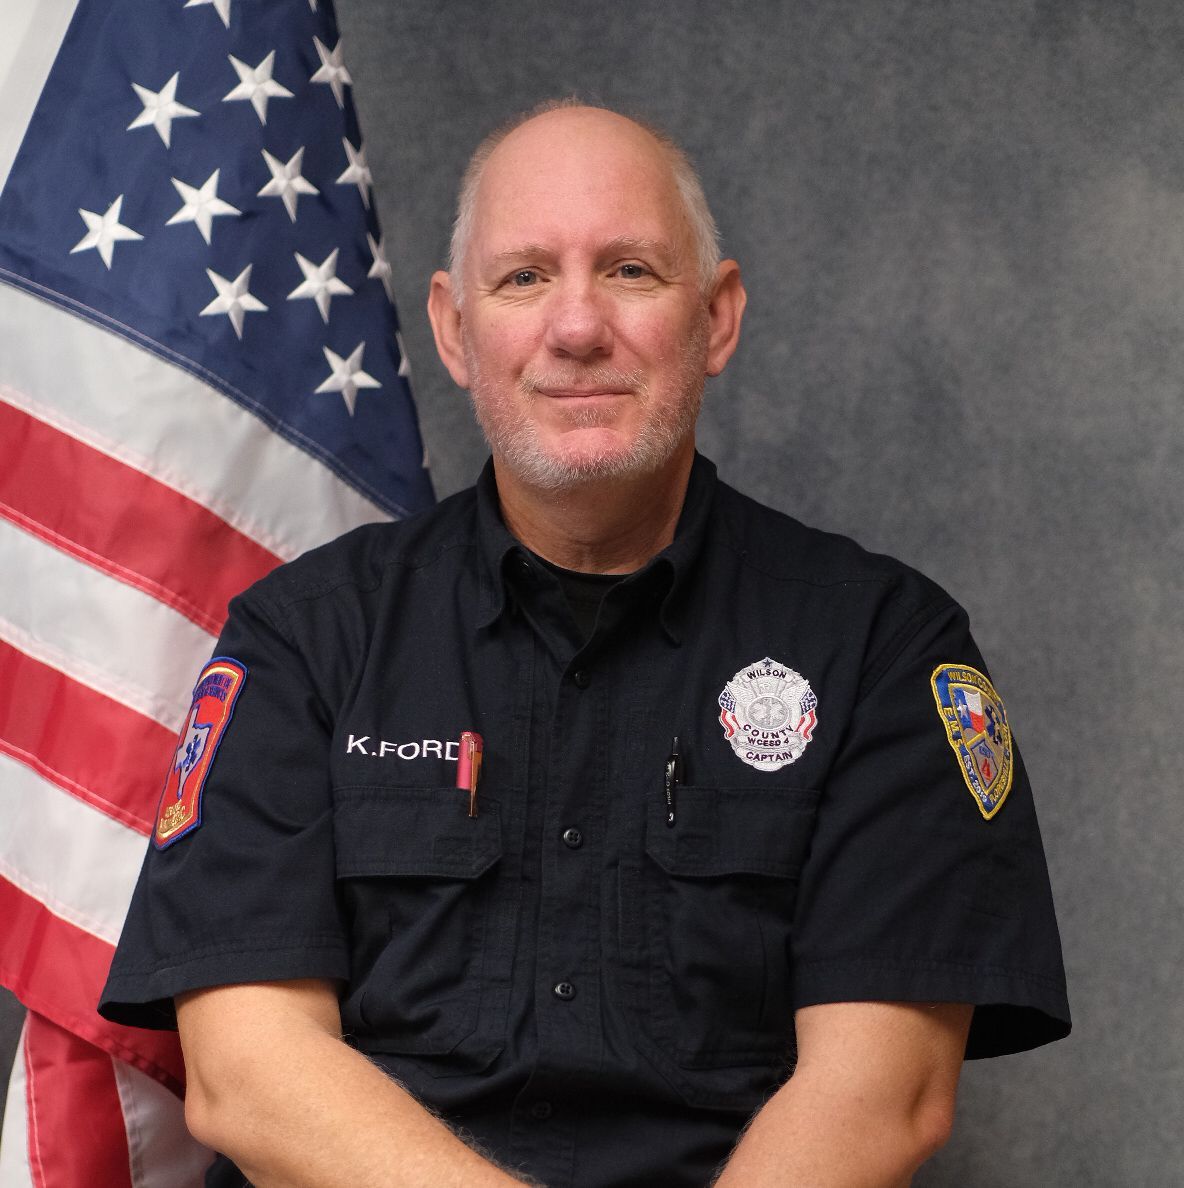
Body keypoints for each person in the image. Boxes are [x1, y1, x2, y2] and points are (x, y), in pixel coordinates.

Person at [101, 100, 1070, 1187]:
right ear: (455, 330)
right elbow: (248, 1073)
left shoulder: (881, 649)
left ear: (717, 317)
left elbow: (880, 1099)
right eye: (522, 278)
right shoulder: (303, 643)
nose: (574, 328)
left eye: (629, 272)